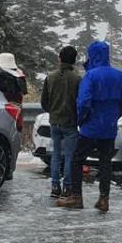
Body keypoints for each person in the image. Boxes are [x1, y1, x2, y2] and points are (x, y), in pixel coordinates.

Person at [56, 41, 122, 213]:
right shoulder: (119, 75)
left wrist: (82, 120)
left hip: (91, 128)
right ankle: (104, 199)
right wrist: (114, 116)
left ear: (92, 55)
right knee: (105, 163)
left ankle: (76, 197)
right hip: (109, 128)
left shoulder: (91, 75)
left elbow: (83, 102)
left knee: (77, 160)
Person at [40, 46, 82, 199]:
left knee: (56, 154)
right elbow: (80, 102)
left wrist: (52, 111)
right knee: (69, 155)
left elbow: (44, 101)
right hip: (70, 122)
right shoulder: (77, 79)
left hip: (55, 121)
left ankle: (55, 186)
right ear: (74, 60)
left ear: (60, 58)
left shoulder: (50, 77)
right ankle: (67, 187)